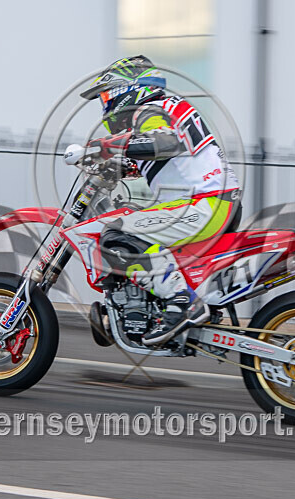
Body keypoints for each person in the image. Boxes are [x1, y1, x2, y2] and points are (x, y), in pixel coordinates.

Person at [80, 55, 241, 345]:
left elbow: (164, 142)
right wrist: (119, 165)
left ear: (127, 90)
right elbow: (166, 155)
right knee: (133, 223)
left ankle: (182, 302)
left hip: (204, 206)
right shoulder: (165, 110)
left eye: (106, 98)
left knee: (115, 235)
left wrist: (106, 146)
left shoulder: (150, 111)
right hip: (213, 203)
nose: (105, 109)